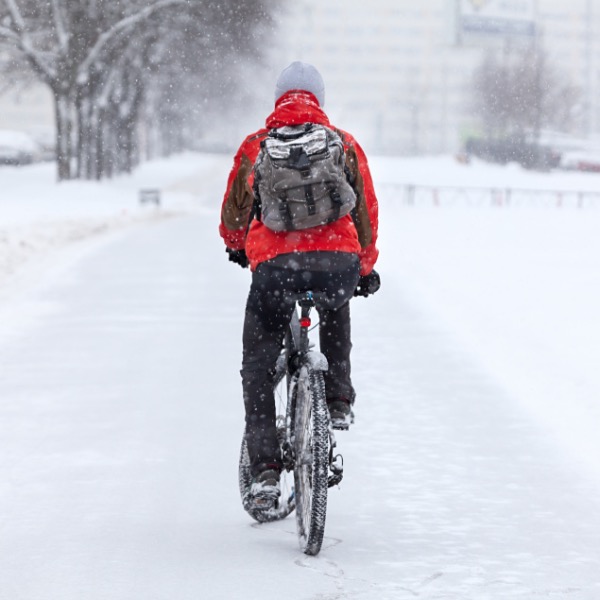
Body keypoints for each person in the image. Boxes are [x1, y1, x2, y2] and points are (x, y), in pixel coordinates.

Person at [219, 61, 380, 509]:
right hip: (335, 261)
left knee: (257, 364)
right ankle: (338, 396)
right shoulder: (343, 143)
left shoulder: (257, 146)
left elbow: (234, 213)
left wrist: (238, 246)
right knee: (336, 299)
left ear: (277, 99)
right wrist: (363, 267)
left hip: (275, 266)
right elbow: (365, 210)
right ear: (319, 101)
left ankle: (267, 470)